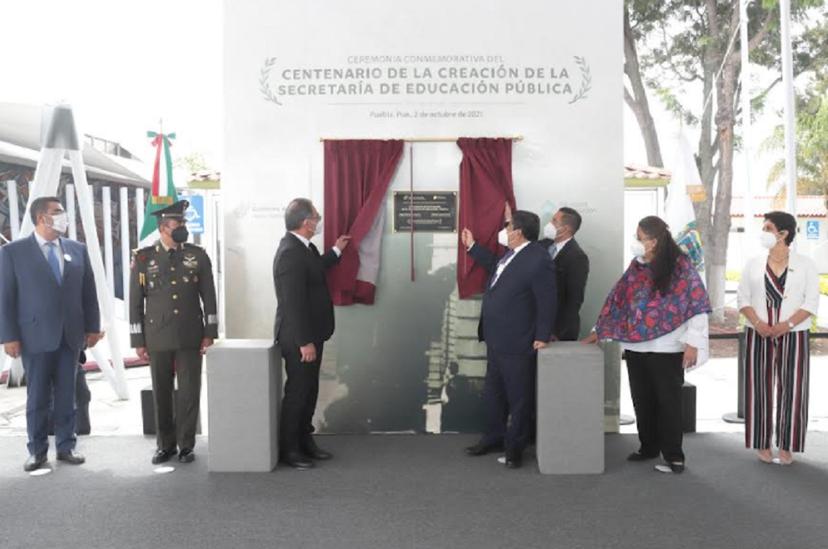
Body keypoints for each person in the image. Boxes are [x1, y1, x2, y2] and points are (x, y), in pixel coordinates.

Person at [583, 215, 710, 474]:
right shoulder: (636, 267)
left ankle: (674, 455)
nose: (636, 242)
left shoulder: (681, 267)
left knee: (668, 402)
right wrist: (599, 330)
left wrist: (693, 343)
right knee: (642, 399)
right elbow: (618, 301)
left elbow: (697, 305)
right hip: (636, 346)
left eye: (639, 237)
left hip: (667, 347)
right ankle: (648, 446)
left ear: (654, 241)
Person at [0, 196, 103, 472]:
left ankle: (67, 446)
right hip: (35, 336)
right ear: (41, 218)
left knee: (68, 395)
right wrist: (8, 336)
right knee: (37, 397)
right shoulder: (14, 252)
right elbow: (6, 297)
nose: (63, 216)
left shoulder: (76, 249)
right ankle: (36, 451)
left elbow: (88, 293)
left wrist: (93, 327)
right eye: (57, 212)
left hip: (70, 336)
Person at [460, 209, 556, 469]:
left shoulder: (538, 258)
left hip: (519, 340)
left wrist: (542, 336)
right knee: (494, 393)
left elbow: (547, 300)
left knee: (519, 397)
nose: (504, 229)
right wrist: (473, 247)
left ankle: (515, 449)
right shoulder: (512, 255)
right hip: (496, 338)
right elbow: (496, 268)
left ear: (518, 232)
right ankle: (493, 437)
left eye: (508, 225)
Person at [129, 200, 218, 465]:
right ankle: (165, 445)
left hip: (190, 333)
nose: (182, 228)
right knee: (162, 392)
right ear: (162, 228)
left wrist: (210, 330)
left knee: (190, 390)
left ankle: (186, 445)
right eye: (177, 224)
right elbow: (135, 302)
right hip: (157, 335)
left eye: (183, 223)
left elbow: (209, 296)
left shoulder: (198, 255)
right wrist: (137, 339)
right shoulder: (144, 258)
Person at [273, 198, 350, 469]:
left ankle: (305, 441)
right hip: (299, 338)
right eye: (316, 217)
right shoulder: (290, 253)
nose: (318, 221)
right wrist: (304, 341)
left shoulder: (304, 248)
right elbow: (293, 303)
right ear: (306, 223)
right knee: (298, 392)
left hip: (310, 335)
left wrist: (336, 251)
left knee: (309, 390)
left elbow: (316, 268)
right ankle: (290, 449)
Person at [737, 211, 819, 466]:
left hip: (793, 334)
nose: (763, 233)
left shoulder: (806, 264)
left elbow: (811, 302)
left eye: (768, 228)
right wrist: (759, 323)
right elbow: (743, 299)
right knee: (758, 387)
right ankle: (762, 443)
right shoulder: (753, 263)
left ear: (783, 234)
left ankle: (787, 445)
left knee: (793, 390)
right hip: (758, 332)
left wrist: (787, 324)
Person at [538, 207, 590, 341]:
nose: (549, 224)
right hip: (538, 324)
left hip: (558, 331)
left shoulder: (577, 257)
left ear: (566, 229)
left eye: (554, 221)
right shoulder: (543, 246)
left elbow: (574, 300)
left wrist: (558, 332)